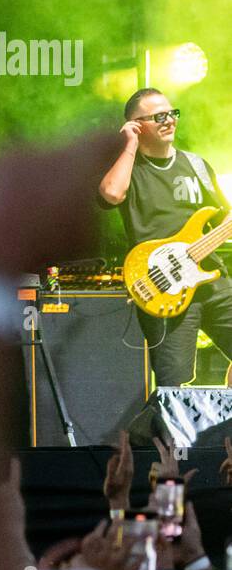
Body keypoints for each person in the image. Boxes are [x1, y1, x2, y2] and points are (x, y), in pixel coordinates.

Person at [98, 87, 232, 385]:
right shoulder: (129, 168)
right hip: (164, 285)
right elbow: (111, 193)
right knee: (174, 382)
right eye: (159, 116)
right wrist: (129, 145)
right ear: (136, 125)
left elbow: (224, 216)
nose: (170, 120)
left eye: (173, 113)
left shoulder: (196, 165)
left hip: (210, 279)